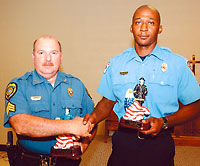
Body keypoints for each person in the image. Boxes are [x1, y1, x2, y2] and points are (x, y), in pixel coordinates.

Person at [84, 5, 200, 166]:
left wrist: (164, 122)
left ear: (160, 28)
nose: (144, 28)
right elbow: (107, 102)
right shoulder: (116, 63)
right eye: (138, 22)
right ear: (131, 28)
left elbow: (195, 105)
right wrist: (93, 118)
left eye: (150, 23)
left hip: (159, 143)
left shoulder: (177, 64)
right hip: (123, 142)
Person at [4, 35, 96, 166]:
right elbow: (20, 124)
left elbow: (92, 119)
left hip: (68, 161)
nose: (48, 58)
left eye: (54, 53)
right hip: (29, 160)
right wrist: (70, 126)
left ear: (61, 57)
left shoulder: (76, 85)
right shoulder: (19, 85)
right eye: (41, 53)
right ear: (33, 57)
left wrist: (84, 145)